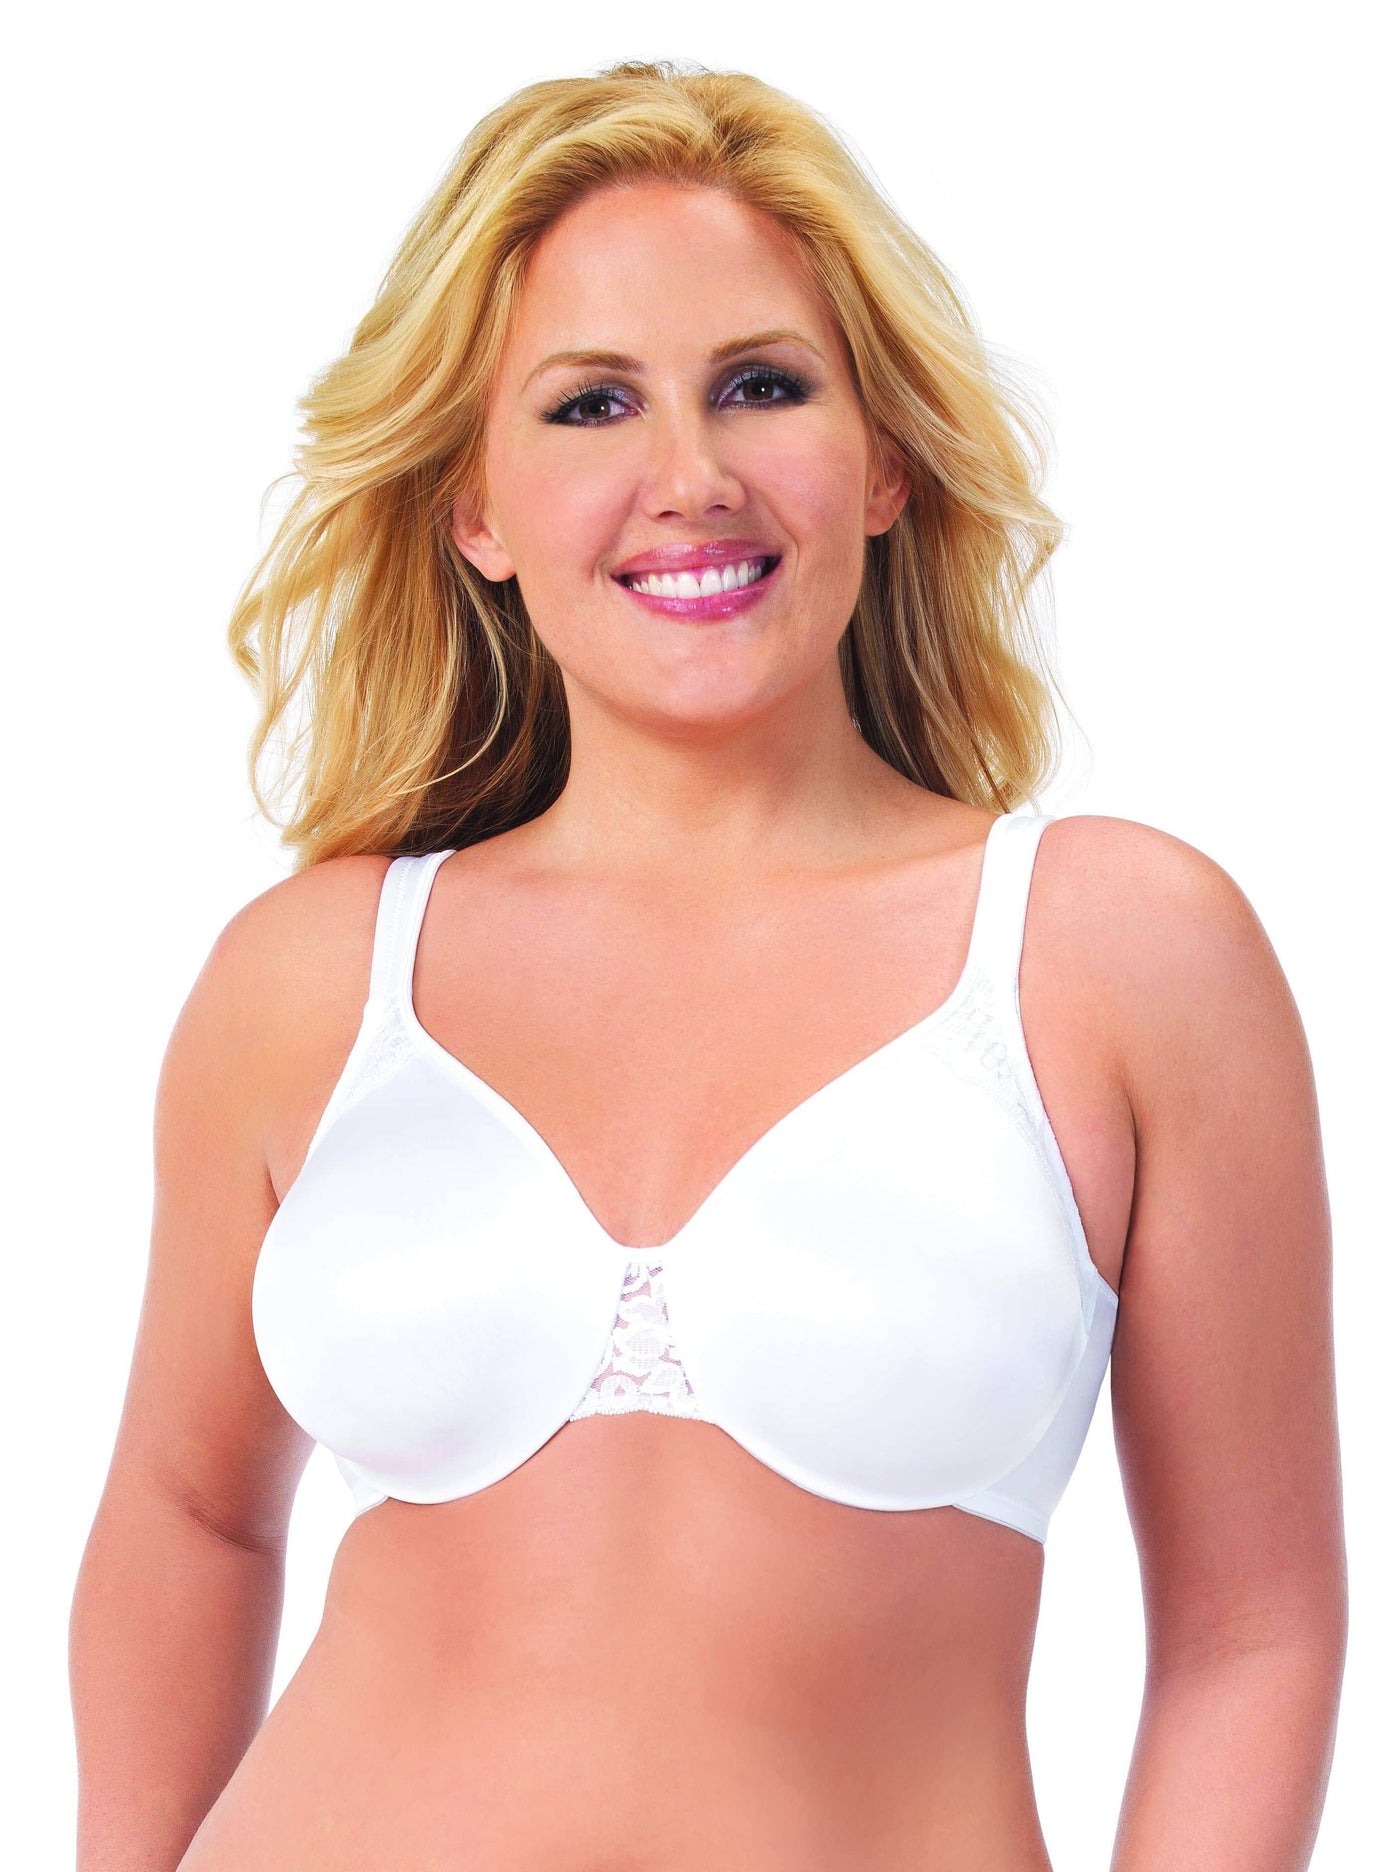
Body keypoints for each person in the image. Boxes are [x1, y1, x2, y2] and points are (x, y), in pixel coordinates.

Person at [68, 57, 1346, 1872]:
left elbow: (1251, 1629)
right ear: (477, 509)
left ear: (884, 461)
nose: (689, 478)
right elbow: (188, 1514)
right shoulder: (315, 977)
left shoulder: (1116, 954)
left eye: (762, 385)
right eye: (591, 403)